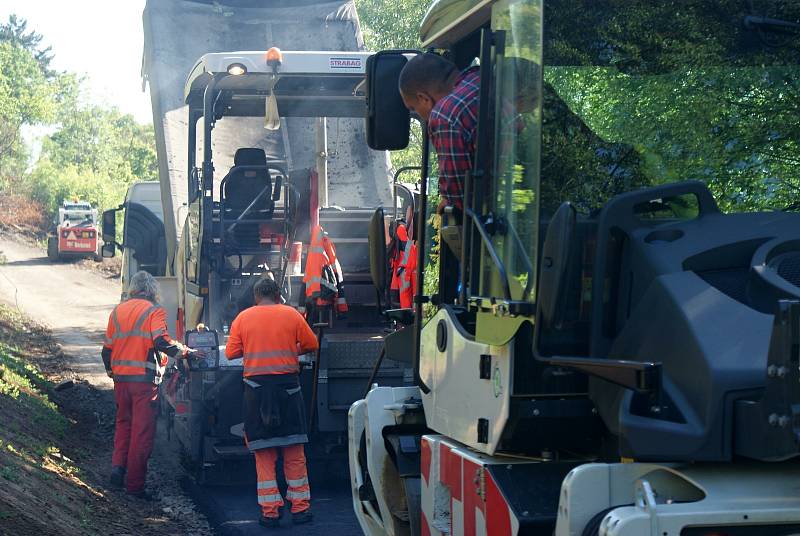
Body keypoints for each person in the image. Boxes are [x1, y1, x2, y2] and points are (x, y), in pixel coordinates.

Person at [225, 278, 319, 528]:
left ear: (256, 296)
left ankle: (270, 513)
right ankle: (300, 509)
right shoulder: (291, 315)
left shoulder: (243, 318)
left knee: (264, 454)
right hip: (289, 390)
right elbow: (312, 344)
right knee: (294, 451)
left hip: (256, 393)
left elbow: (231, 353)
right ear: (279, 295)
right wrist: (289, 350)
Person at [102, 270, 195, 499]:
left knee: (124, 425)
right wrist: (186, 352)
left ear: (133, 289)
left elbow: (106, 350)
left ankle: (117, 471)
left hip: (121, 381)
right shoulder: (154, 312)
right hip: (143, 382)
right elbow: (162, 342)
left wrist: (113, 372)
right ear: (152, 290)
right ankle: (135, 487)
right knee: (141, 434)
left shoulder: (117, 311)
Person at [399, 53, 479, 214]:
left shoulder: (445, 115)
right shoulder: (479, 79)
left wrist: (449, 201)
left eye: (413, 108)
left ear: (423, 98)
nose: (419, 115)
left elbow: (461, 201)